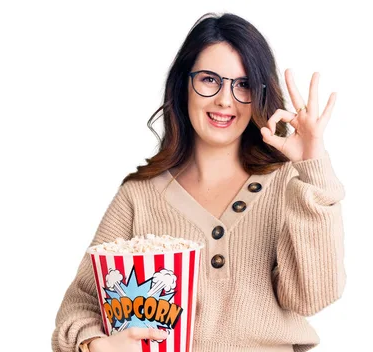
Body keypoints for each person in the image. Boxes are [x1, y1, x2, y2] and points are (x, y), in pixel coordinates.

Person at [52, 12, 346, 352]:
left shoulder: (289, 185)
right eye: (210, 80)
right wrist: (96, 345)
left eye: (243, 84)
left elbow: (314, 297)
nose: (225, 99)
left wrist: (313, 166)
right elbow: (79, 306)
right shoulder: (140, 196)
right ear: (183, 85)